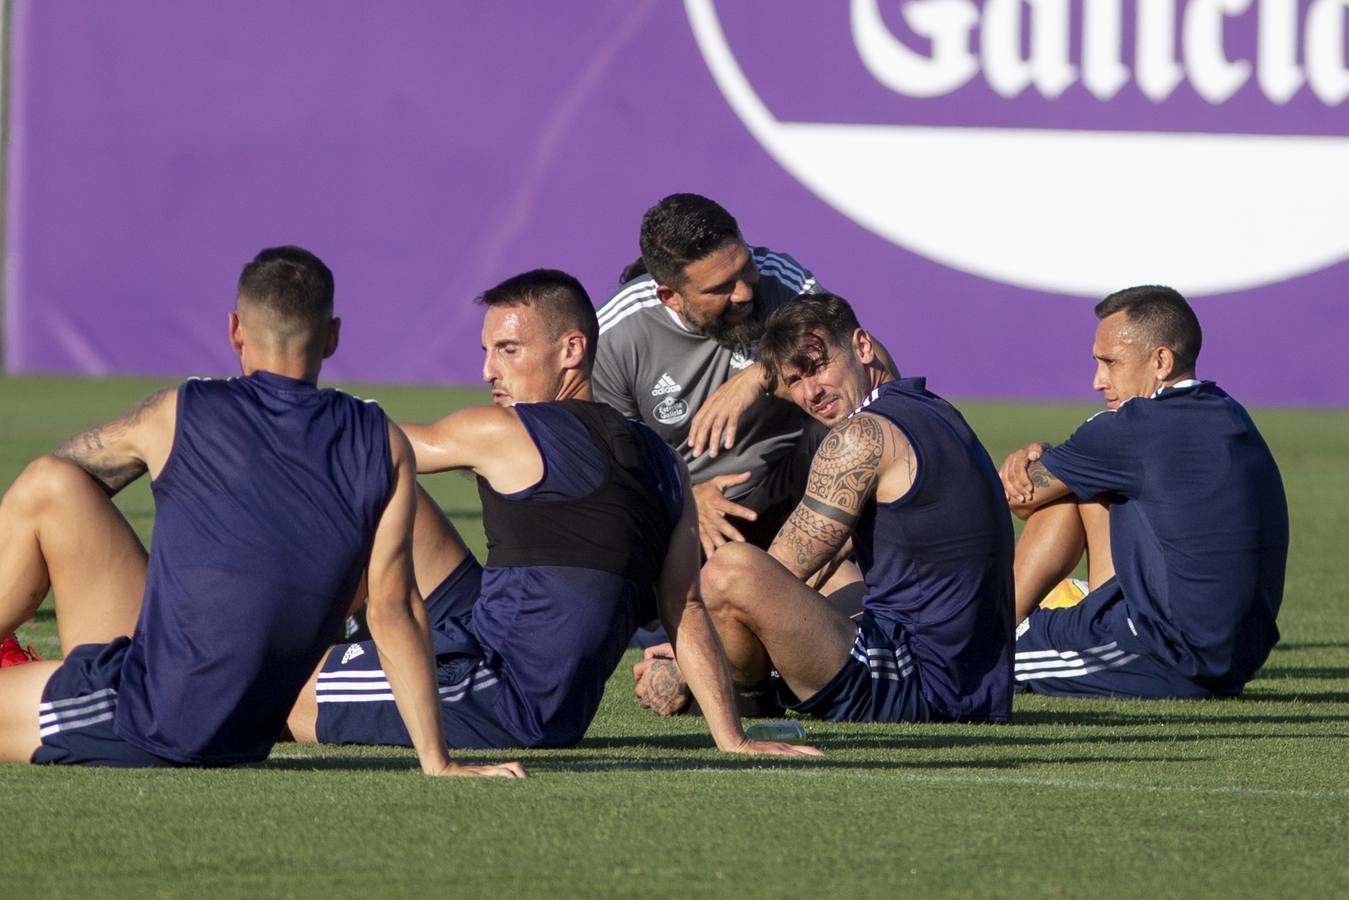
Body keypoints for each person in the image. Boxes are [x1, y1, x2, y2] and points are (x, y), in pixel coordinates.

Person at [0, 246, 522, 777]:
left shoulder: (178, 412)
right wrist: (438, 761)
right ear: (333, 335)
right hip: (246, 729)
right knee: (56, 487)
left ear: (235, 331)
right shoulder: (382, 442)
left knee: (47, 482)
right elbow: (395, 611)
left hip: (144, 718)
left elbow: (59, 478)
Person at [287, 268, 821, 759]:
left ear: (571, 350)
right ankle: (352, 630)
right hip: (524, 667)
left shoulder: (505, 432)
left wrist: (264, 416)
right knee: (394, 492)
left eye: (508, 349)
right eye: (488, 350)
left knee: (285, 691)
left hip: (498, 695)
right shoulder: (666, 464)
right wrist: (731, 738)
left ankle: (301, 633)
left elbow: (358, 445)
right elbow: (685, 607)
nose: (488, 370)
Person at [635, 294, 1014, 724]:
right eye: (793, 380)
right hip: (975, 682)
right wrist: (757, 378)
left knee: (730, 570)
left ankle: (747, 701)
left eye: (817, 368)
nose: (809, 393)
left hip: (918, 683)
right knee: (834, 569)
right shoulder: (937, 412)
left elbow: (778, 570)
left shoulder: (861, 436)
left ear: (862, 347)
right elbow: (820, 561)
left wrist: (691, 652)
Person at [1000, 285, 1288, 699]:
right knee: (1086, 486)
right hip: (1236, 656)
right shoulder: (1230, 413)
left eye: (1110, 362)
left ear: (1161, 360)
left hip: (1165, 654)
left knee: (977, 663)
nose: (1098, 380)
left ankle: (997, 629)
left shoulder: (1128, 428)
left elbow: (1018, 498)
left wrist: (1031, 460)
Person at [594, 192, 835, 557]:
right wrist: (684, 500)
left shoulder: (782, 281)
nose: (743, 293)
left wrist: (763, 374)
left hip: (791, 487)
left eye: (744, 268)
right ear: (670, 297)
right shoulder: (615, 336)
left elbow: (856, 364)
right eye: (720, 288)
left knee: (846, 428)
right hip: (689, 514)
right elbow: (613, 468)